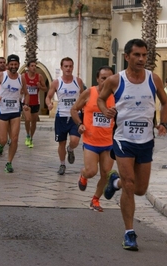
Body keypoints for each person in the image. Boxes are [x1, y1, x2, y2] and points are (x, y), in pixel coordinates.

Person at [97, 39, 167, 251]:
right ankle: (129, 233)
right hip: (123, 139)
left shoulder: (153, 79)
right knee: (130, 183)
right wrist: (105, 110)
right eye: (136, 55)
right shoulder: (115, 80)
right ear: (127, 56)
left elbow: (165, 103)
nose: (141, 59)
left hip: (146, 140)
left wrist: (164, 123)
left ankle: (115, 182)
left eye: (144, 55)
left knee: (140, 188)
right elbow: (101, 99)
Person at [70, 66, 115, 212]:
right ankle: (83, 175)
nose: (106, 81)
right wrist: (80, 124)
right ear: (97, 79)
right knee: (91, 171)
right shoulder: (90, 92)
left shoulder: (117, 95)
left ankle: (95, 199)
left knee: (106, 174)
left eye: (109, 78)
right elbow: (74, 109)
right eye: (103, 78)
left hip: (109, 142)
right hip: (91, 141)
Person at [0, 54, 30, 173]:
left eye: (15, 64)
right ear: (7, 65)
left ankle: (9, 163)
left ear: (18, 64)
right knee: (3, 140)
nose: (13, 66)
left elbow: (26, 93)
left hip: (15, 111)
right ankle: (0, 146)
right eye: (11, 64)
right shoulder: (2, 76)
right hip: (3, 111)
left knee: (15, 138)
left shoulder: (21, 78)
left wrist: (26, 104)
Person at [45, 57, 84, 175]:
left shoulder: (78, 81)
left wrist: (84, 106)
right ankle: (62, 164)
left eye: (70, 66)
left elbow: (83, 96)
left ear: (73, 67)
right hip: (61, 116)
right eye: (66, 66)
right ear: (61, 67)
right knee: (61, 142)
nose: (68, 68)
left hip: (75, 116)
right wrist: (49, 104)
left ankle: (71, 149)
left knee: (75, 140)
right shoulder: (57, 82)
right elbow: (48, 96)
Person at [22, 59, 47, 148]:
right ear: (28, 67)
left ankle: (31, 138)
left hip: (36, 102)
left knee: (34, 122)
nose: (34, 68)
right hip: (26, 102)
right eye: (32, 66)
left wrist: (40, 86)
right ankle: (28, 135)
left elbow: (45, 88)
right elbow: (20, 88)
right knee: (27, 119)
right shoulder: (23, 76)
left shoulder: (39, 76)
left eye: (35, 66)